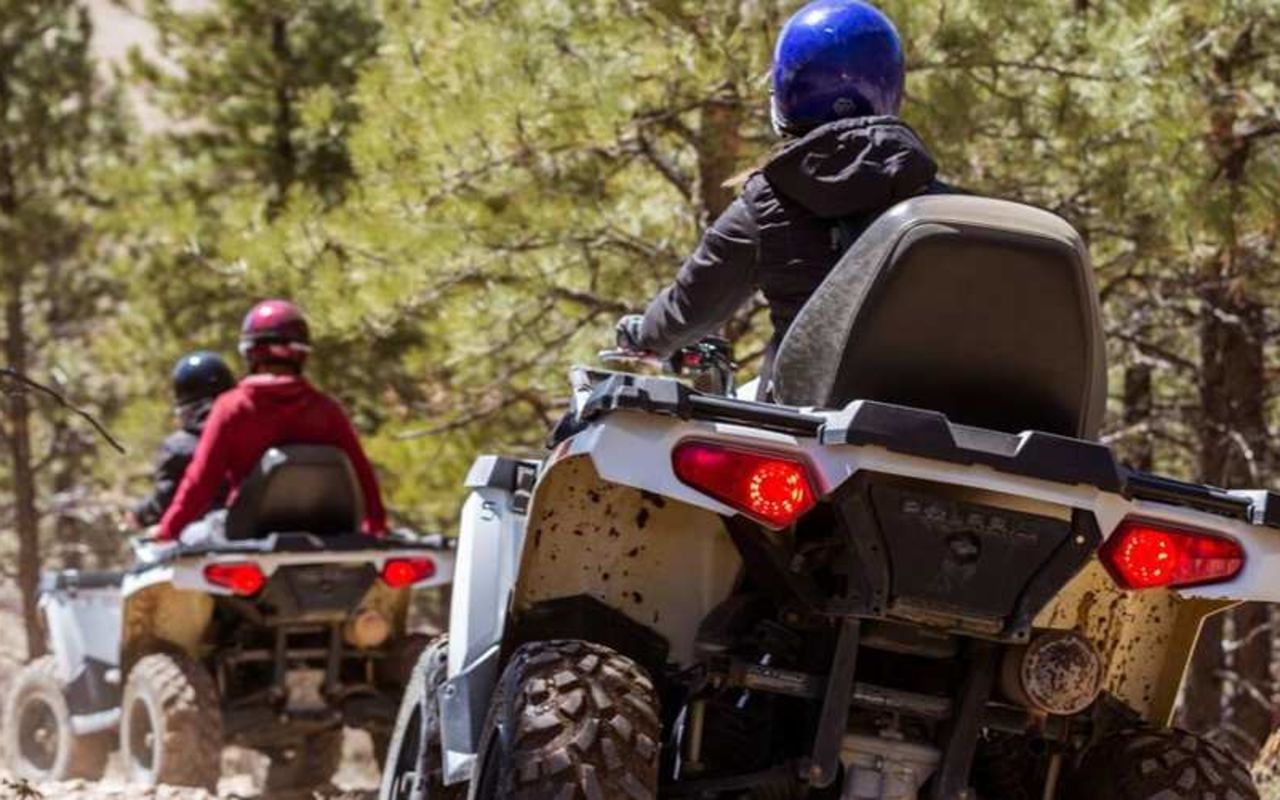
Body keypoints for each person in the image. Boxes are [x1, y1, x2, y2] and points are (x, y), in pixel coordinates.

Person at [616, 0, 946, 388]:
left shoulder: (768, 201)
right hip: (930, 419)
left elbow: (692, 305)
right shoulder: (939, 204)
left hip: (805, 417)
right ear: (892, 87)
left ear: (786, 87)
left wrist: (645, 337)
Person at [158, 299, 389, 542]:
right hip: (326, 534)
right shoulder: (326, 410)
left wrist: (167, 532)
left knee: (193, 535)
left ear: (250, 353)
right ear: (302, 354)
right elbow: (363, 477)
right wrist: (377, 527)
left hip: (247, 536)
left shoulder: (232, 408)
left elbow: (200, 483)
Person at [129, 351, 235, 528]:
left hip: (199, 542)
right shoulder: (252, 436)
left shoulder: (178, 447)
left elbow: (165, 499)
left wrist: (139, 515)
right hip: (252, 531)